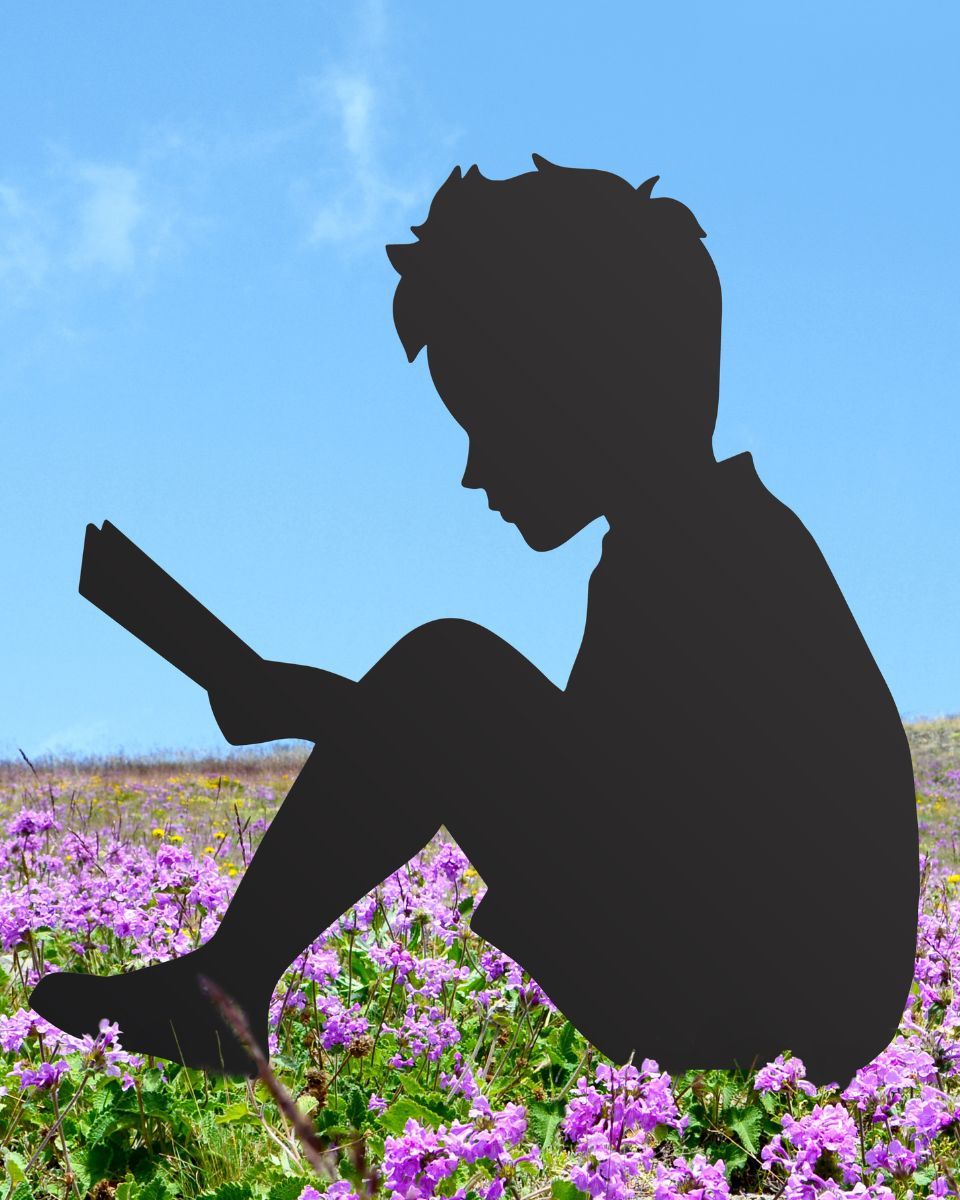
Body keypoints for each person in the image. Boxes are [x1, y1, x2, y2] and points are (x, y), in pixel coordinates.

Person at [30, 155, 919, 1089]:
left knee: (449, 671)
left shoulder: (710, 554)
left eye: (488, 420)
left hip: (761, 1002)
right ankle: (226, 981)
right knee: (445, 685)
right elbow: (582, 790)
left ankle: (225, 984)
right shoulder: (695, 538)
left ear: (591, 392)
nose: (473, 468)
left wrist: (343, 711)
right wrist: (344, 711)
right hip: (755, 971)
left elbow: (576, 789)